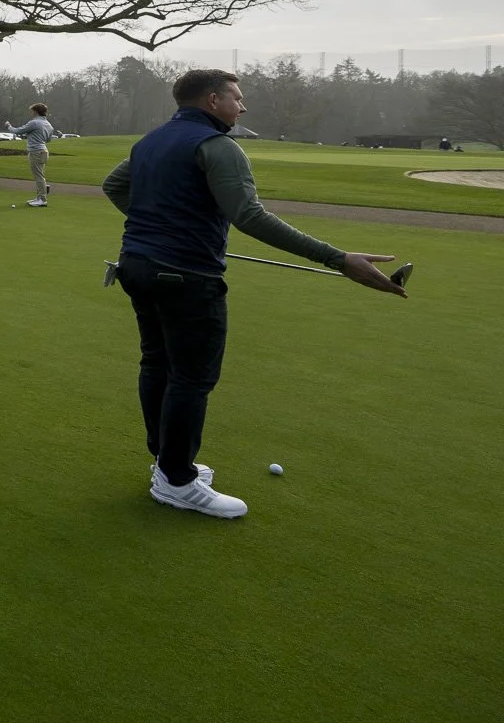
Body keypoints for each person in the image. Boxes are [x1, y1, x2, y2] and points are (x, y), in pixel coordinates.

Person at [103, 69, 407, 520]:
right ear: (212, 100)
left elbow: (114, 186)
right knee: (190, 377)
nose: (242, 107)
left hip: (137, 266)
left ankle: (168, 463)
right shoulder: (218, 146)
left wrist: (164, 225)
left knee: (158, 363)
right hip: (187, 277)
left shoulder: (151, 140)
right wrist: (338, 258)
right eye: (236, 99)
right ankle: (176, 481)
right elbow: (250, 216)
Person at [7, 103, 57, 206]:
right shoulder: (49, 125)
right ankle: (39, 197)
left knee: (39, 176)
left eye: (33, 111)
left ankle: (42, 199)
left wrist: (9, 126)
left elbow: (18, 131)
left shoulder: (34, 123)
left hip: (36, 152)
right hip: (43, 151)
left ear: (36, 111)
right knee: (40, 175)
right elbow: (48, 140)